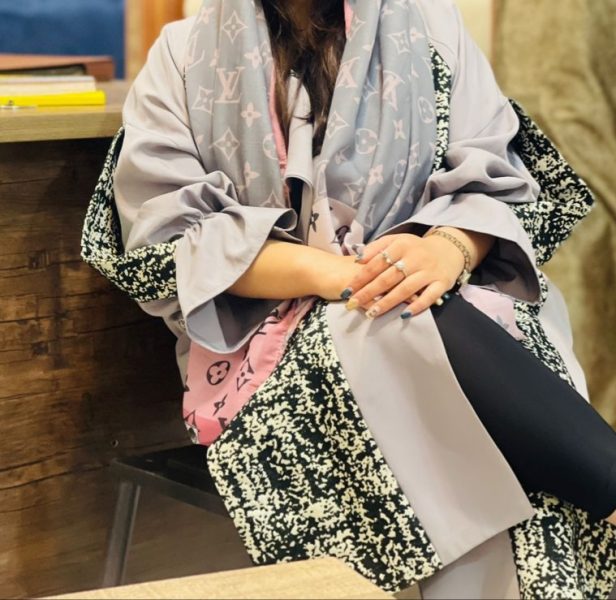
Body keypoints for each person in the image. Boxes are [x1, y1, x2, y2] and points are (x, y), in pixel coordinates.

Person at [87, 0, 616, 596]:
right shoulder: (183, 56)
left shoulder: (433, 31)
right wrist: (337, 274)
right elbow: (168, 238)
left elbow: (496, 176)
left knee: (418, 327)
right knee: (411, 328)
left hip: (450, 312)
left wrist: (448, 248)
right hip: (266, 361)